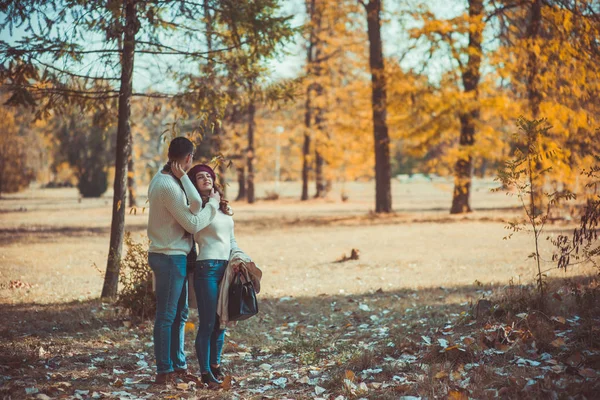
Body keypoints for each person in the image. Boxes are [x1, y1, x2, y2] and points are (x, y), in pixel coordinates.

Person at [147, 137, 221, 384]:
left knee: (179, 316)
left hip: (176, 256)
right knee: (167, 316)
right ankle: (164, 371)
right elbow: (193, 221)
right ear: (189, 158)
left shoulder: (171, 178)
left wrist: (186, 180)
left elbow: (195, 203)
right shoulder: (167, 185)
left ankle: (177, 366)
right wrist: (213, 206)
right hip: (168, 257)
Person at [186, 164, 239, 386]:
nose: (206, 178)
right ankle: (205, 373)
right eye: (200, 177)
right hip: (206, 268)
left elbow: (231, 239)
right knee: (207, 323)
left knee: (221, 322)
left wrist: (239, 259)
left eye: (208, 175)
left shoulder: (223, 208)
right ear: (193, 183)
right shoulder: (196, 208)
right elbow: (198, 228)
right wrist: (213, 204)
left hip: (226, 268)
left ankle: (215, 366)